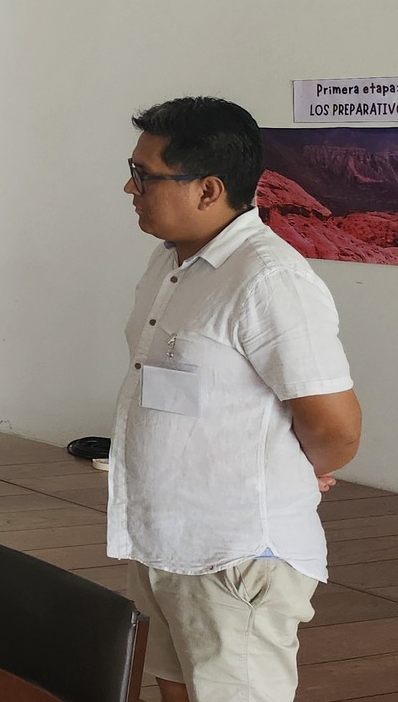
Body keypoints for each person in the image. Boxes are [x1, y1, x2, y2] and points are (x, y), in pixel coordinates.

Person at [112, 97, 361, 702]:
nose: (129, 187)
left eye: (145, 175)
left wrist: (297, 467)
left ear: (209, 189)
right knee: (175, 688)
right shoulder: (171, 263)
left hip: (237, 554)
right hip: (165, 539)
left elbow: (337, 430)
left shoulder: (269, 279)